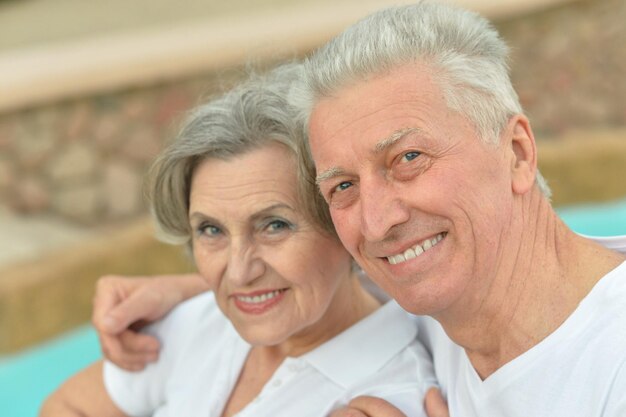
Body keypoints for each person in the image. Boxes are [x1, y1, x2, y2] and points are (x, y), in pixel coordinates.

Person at [90, 2, 626, 416]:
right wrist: (203, 288)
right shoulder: (445, 299)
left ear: (516, 153)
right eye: (342, 186)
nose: (377, 222)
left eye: (408, 158)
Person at [40, 63, 436, 417]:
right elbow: (66, 407)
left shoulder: (391, 396)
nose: (239, 272)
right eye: (211, 230)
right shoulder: (201, 322)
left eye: (274, 226)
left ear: (343, 221)